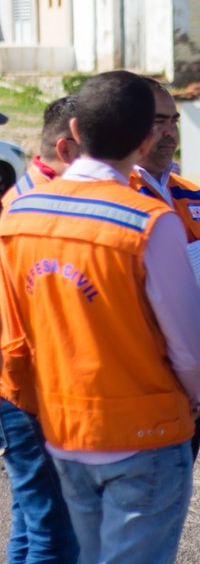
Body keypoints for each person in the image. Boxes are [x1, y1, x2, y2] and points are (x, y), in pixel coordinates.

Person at [0, 70, 200, 564]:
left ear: (75, 130)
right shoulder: (149, 221)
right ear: (145, 140)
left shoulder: (18, 214)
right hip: (144, 432)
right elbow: (194, 348)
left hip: (62, 426)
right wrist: (194, 396)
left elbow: (16, 334)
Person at [129, 78, 200, 460]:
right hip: (139, 382)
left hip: (193, 381)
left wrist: (182, 265)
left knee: (179, 491)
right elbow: (145, 282)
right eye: (159, 121)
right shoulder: (119, 192)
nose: (170, 132)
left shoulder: (192, 192)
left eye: (174, 121)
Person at [0, 95, 80, 563]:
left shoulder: (29, 196)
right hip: (27, 386)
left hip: (28, 382)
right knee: (56, 531)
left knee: (34, 523)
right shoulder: (29, 207)